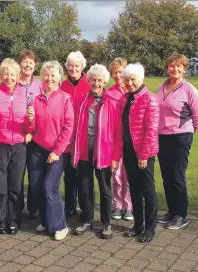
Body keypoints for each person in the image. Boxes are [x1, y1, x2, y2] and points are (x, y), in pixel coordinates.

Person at [72, 64, 122, 238]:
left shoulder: (113, 102)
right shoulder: (83, 101)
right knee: (85, 188)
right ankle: (87, 219)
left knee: (105, 189)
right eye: (93, 79)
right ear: (89, 81)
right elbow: (75, 129)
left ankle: (106, 223)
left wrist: (115, 157)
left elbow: (118, 133)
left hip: (104, 153)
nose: (96, 83)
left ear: (104, 81)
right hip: (86, 151)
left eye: (100, 80)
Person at [26, 61, 74, 241]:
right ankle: (46, 221)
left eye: (53, 75)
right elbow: (31, 127)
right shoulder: (36, 99)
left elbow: (68, 127)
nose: (49, 78)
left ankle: (60, 226)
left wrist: (57, 151)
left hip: (57, 151)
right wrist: (30, 119)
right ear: (42, 77)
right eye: (46, 75)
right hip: (38, 149)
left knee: (49, 188)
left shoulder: (65, 99)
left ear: (60, 78)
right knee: (37, 187)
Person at [156, 54, 198, 229]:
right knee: (167, 178)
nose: (174, 69)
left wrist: (186, 135)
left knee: (177, 177)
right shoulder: (162, 87)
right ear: (167, 68)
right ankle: (171, 211)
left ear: (184, 69)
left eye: (178, 66)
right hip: (162, 137)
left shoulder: (189, 89)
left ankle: (181, 215)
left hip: (180, 138)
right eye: (171, 66)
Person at [0, 58, 29, 234]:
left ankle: (14, 218)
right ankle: (0, 219)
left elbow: (32, 122)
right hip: (0, 144)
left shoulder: (25, 93)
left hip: (19, 144)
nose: (9, 77)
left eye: (12, 74)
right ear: (1, 75)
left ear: (18, 75)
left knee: (16, 185)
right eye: (5, 73)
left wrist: (30, 124)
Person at [119, 64, 159, 243]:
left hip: (144, 153)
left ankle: (150, 228)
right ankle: (138, 225)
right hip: (128, 150)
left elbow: (151, 130)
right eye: (127, 79)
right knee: (134, 189)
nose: (129, 83)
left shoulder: (150, 99)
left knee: (148, 191)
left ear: (140, 79)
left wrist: (143, 155)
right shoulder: (126, 98)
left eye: (132, 79)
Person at [60, 51, 90, 219]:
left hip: (83, 136)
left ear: (82, 67)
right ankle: (69, 206)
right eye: (70, 65)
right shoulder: (62, 85)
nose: (73, 68)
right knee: (69, 175)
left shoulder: (88, 84)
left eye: (76, 66)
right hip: (65, 136)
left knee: (83, 176)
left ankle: (85, 207)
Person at [17, 49, 43, 220]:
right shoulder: (13, 81)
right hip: (16, 136)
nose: (27, 65)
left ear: (35, 66)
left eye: (30, 62)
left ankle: (34, 207)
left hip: (35, 137)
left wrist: (32, 133)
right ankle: (17, 207)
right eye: (24, 61)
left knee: (35, 173)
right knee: (17, 175)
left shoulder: (39, 85)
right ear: (20, 63)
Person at [107, 58, 134, 221]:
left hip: (130, 139)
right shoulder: (109, 93)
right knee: (116, 175)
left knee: (129, 175)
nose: (117, 75)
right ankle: (117, 204)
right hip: (114, 140)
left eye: (120, 71)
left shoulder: (132, 91)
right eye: (114, 72)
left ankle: (129, 206)